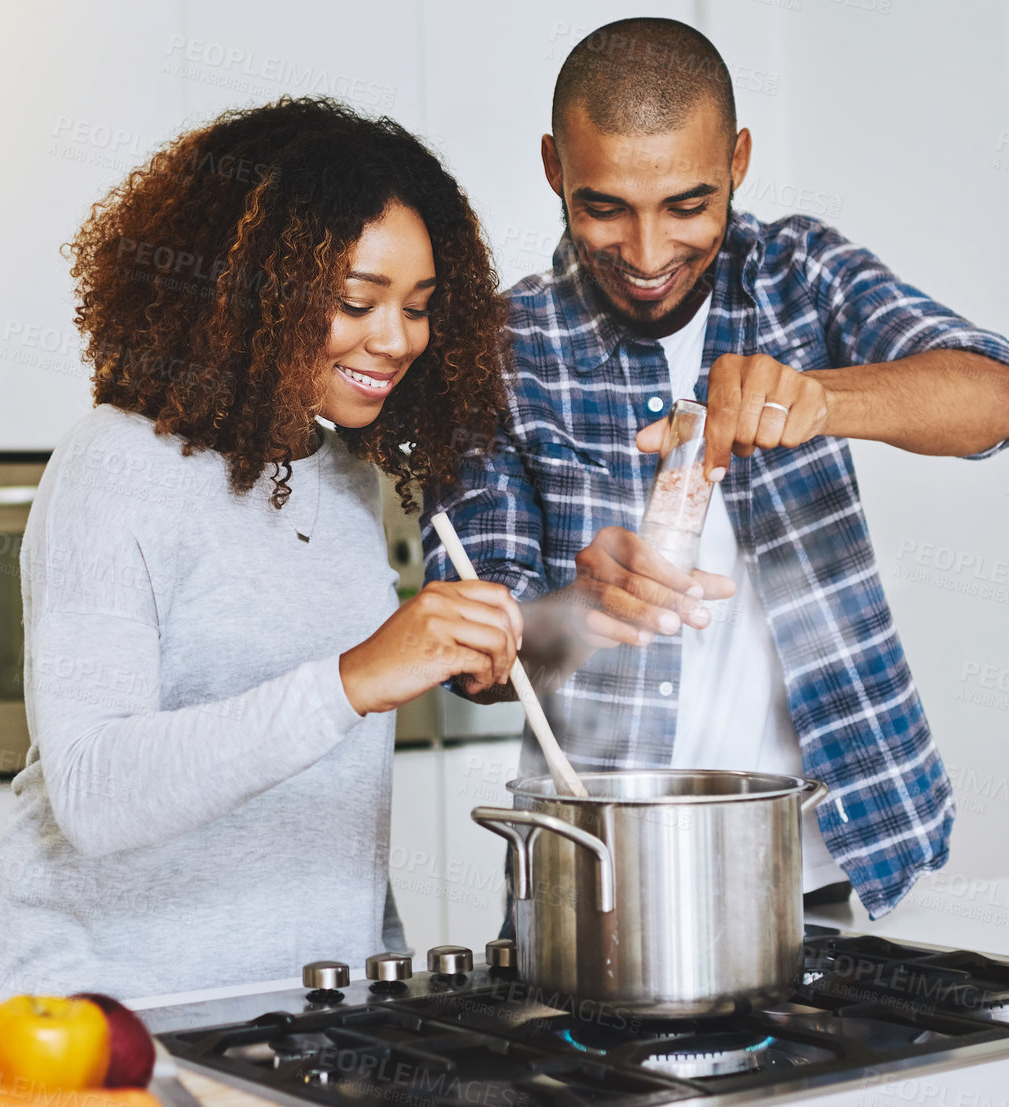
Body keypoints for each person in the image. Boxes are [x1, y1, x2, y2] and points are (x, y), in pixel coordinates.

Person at [424, 18, 1009, 918]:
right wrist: (574, 616)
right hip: (600, 884)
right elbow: (475, 660)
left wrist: (820, 400)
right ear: (554, 168)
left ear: (736, 159)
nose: (650, 255)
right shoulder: (498, 353)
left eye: (688, 205)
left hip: (831, 861)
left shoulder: (799, 274)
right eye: (604, 206)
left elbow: (990, 396)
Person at [0, 97, 523, 999]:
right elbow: (92, 789)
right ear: (249, 291)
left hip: (309, 1016)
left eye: (419, 308)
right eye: (357, 300)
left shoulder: (348, 475)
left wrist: (375, 977)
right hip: (117, 1018)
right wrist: (352, 678)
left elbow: (335, 802)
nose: (394, 341)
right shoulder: (115, 463)